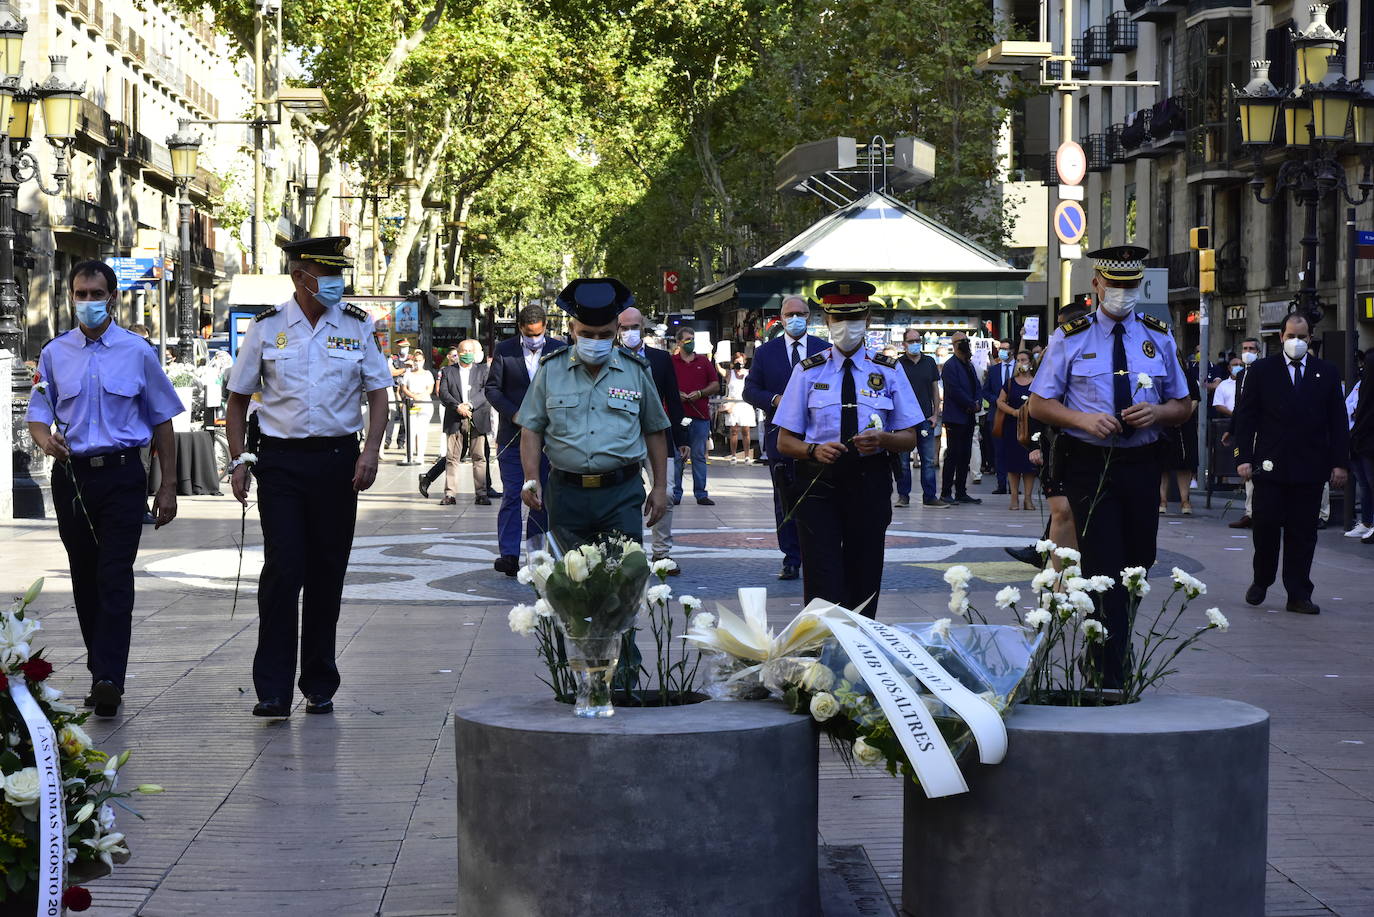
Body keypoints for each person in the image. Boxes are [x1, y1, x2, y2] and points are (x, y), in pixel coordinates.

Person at [223, 236, 390, 718]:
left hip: (339, 462)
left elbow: (378, 392)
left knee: (326, 571)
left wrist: (372, 451)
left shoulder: (357, 327)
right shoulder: (267, 328)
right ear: (300, 277)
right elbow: (238, 399)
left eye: (340, 273)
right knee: (284, 567)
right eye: (328, 273)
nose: (338, 283)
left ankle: (318, 681)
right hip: (279, 464)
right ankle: (272, 688)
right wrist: (239, 460)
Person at [1029, 245, 1192, 686]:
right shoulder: (1071, 336)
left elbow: (1183, 403)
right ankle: (1108, 667)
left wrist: (1157, 413)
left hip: (1141, 461)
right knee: (1103, 564)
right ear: (1097, 285)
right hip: (1089, 462)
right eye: (1114, 285)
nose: (1122, 294)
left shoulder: (1158, 335)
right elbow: (1039, 404)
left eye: (1130, 286)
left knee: (1138, 561)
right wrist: (1081, 418)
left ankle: (1110, 648)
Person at [26, 260, 182, 718]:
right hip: (73, 478)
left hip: (121, 476)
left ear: (112, 297)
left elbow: (163, 421)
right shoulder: (55, 353)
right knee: (85, 576)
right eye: (80, 293)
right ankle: (101, 670)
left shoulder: (137, 352)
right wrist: (45, 441)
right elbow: (38, 414)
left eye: (96, 294)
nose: (88, 302)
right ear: (70, 296)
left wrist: (168, 485)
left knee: (115, 575)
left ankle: (109, 676)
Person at [773, 280, 921, 619]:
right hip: (819, 484)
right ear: (825, 321)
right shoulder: (808, 371)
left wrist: (884, 439)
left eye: (853, 319)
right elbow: (784, 441)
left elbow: (910, 436)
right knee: (822, 578)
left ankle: (859, 658)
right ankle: (821, 657)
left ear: (867, 319)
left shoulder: (888, 369)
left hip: (869, 481)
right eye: (838, 319)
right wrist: (813, 451)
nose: (845, 328)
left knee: (865, 576)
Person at [517, 278, 671, 548]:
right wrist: (531, 478)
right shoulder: (551, 370)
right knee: (568, 578)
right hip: (566, 494)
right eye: (587, 334)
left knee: (623, 578)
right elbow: (531, 428)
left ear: (616, 330)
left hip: (622, 493)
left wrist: (660, 488)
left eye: (604, 335)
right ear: (572, 329)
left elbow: (655, 431)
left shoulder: (635, 370)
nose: (595, 341)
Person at [1232, 312, 1349, 614]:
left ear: (1311, 338)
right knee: (1266, 527)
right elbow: (1246, 417)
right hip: (1270, 465)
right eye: (1290, 336)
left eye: (1302, 336)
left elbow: (1337, 421)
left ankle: (1298, 592)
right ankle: (1262, 579)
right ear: (1281, 337)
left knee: (1303, 533)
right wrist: (1244, 457)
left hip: (1309, 467)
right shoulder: (1261, 370)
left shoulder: (1327, 372)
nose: (1295, 341)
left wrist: (1339, 463)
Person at [743, 295, 828, 580]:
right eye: (789, 313)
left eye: (800, 313)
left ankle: (817, 554)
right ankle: (791, 558)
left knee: (817, 497)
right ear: (781, 317)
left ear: (809, 316)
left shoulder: (824, 350)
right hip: (780, 438)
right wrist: (776, 399)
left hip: (818, 437)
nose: (795, 318)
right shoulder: (767, 353)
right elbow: (750, 390)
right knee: (785, 499)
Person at [485, 305, 564, 574]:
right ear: (521, 328)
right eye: (530, 334)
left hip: (548, 438)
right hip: (512, 435)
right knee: (511, 494)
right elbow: (492, 389)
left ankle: (537, 554)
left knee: (539, 496)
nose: (535, 339)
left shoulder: (559, 349)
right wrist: (513, 413)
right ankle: (508, 554)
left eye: (539, 333)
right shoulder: (505, 350)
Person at [618, 305, 688, 572]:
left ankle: (661, 553)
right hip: (623, 437)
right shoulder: (611, 357)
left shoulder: (660, 359)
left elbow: (673, 398)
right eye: (624, 327)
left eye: (634, 327)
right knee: (626, 495)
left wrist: (683, 437)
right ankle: (631, 550)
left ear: (643, 329)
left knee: (667, 493)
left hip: (659, 435)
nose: (630, 332)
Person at [425, 341, 491, 505]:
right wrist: (458, 406)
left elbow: (486, 391)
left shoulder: (483, 370)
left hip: (477, 418)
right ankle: (450, 494)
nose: (467, 353)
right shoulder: (447, 371)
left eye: (470, 350)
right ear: (458, 353)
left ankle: (481, 493)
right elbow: (444, 392)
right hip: (455, 418)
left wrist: (470, 405)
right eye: (464, 351)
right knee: (452, 458)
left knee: (479, 456)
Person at [894, 326, 944, 508]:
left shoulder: (929, 362)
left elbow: (935, 390)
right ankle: (903, 496)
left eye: (917, 341)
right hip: (904, 419)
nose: (915, 344)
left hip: (925, 418)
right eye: (911, 341)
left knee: (928, 460)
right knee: (903, 461)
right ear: (904, 344)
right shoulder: (898, 364)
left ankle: (930, 497)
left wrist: (935, 414)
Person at [672, 326, 720, 505]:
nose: (690, 342)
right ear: (678, 342)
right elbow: (661, 385)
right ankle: (676, 493)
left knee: (699, 455)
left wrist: (700, 393)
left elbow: (715, 385)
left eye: (692, 339)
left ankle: (701, 494)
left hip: (699, 417)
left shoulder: (704, 361)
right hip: (676, 418)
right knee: (677, 456)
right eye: (686, 339)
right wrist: (676, 394)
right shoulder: (671, 362)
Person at [939, 330, 981, 504]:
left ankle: (961, 492)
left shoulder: (968, 364)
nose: (964, 343)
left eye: (965, 340)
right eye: (960, 341)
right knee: (953, 455)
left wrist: (977, 401)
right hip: (956, 417)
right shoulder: (950, 365)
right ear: (954, 345)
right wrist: (971, 403)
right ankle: (946, 492)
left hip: (969, 416)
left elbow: (977, 385)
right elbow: (954, 390)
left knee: (965, 454)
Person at [1159, 350, 1202, 515]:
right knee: (1163, 464)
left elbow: (1195, 398)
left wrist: (1182, 415)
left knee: (1185, 463)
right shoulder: (1160, 375)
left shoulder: (1187, 374)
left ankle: (1185, 501)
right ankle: (1162, 500)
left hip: (1185, 424)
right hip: (1164, 422)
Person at [994, 350, 1038, 510]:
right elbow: (1000, 401)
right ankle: (1014, 497)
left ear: (1030, 363)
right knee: (1012, 465)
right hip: (1012, 427)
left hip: (1031, 427)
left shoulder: (1036, 382)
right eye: (1018, 360)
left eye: (1024, 360)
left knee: (1029, 465)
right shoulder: (1010, 382)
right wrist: (1014, 412)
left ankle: (1028, 498)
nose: (1021, 363)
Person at [1349, 349, 1374, 544]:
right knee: (1364, 484)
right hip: (1358, 439)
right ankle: (1366, 522)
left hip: (1366, 440)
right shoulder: (1361, 384)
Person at [983, 341, 1014, 495]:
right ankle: (1001, 484)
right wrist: (996, 400)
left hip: (1015, 414)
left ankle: (1014, 486)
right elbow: (985, 391)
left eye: (1006, 349)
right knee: (999, 451)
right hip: (997, 415)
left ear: (1012, 351)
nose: (1002, 351)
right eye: (1000, 349)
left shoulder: (1019, 369)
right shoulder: (994, 370)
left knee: (1015, 450)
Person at [401, 350, 435, 464]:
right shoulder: (408, 373)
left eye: (420, 360)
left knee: (422, 431)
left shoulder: (428, 374)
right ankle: (408, 455)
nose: (418, 363)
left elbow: (430, 389)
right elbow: (404, 388)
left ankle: (420, 456)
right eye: (416, 360)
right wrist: (413, 396)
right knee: (410, 431)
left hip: (424, 404)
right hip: (411, 403)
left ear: (424, 361)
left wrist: (420, 397)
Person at [723, 352, 756, 462]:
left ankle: (747, 456)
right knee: (734, 430)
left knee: (746, 430)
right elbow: (719, 370)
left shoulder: (748, 373)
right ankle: (733, 455)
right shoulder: (729, 373)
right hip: (733, 404)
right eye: (737, 361)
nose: (739, 363)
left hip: (745, 403)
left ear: (744, 362)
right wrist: (715, 358)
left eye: (741, 361)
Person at [384, 338, 411, 450]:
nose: (404, 349)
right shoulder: (392, 358)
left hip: (408, 390)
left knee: (405, 418)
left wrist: (400, 370)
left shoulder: (413, 358)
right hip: (393, 390)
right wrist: (405, 369)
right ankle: (387, 440)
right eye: (402, 347)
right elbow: (391, 372)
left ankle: (401, 441)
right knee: (391, 416)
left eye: (406, 346)